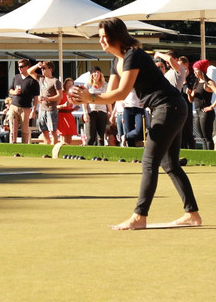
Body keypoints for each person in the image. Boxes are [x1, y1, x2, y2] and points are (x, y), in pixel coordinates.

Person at [68, 18, 201, 229]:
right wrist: (87, 95)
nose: (100, 41)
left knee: (149, 161)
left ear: (115, 36)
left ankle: (139, 216)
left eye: (104, 36)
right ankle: (192, 214)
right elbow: (110, 95)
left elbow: (121, 93)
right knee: (170, 164)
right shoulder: (116, 60)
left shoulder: (133, 55)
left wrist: (89, 98)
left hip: (169, 107)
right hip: (168, 108)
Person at [187, 59, 216, 149]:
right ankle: (205, 157)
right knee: (202, 138)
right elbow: (191, 100)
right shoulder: (196, 83)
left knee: (207, 137)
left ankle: (210, 158)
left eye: (196, 70)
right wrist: (189, 93)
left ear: (202, 70)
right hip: (198, 111)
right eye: (194, 70)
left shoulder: (209, 82)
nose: (194, 72)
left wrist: (211, 106)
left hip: (205, 112)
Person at [29, 60, 62, 146]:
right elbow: (29, 71)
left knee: (53, 131)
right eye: (42, 68)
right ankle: (47, 147)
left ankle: (54, 149)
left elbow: (60, 96)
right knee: (44, 131)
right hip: (42, 109)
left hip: (51, 109)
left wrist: (47, 98)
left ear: (50, 69)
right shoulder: (41, 78)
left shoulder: (55, 81)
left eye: (44, 68)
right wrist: (37, 65)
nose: (42, 70)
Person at [7, 58, 39, 144]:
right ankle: (12, 147)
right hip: (14, 106)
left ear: (27, 67)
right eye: (18, 67)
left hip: (25, 108)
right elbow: (10, 90)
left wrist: (34, 110)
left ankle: (24, 147)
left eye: (22, 67)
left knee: (24, 130)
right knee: (13, 129)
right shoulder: (16, 77)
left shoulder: (32, 81)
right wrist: (14, 92)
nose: (20, 69)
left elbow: (36, 97)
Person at [82, 67, 110, 146]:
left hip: (102, 111)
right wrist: (85, 113)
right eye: (95, 72)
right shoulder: (87, 85)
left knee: (100, 136)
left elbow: (108, 99)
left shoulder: (105, 85)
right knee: (91, 136)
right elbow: (84, 100)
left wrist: (110, 112)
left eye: (98, 72)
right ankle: (88, 154)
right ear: (91, 75)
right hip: (91, 111)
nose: (96, 74)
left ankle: (100, 155)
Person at [56, 77, 79, 144]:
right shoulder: (61, 94)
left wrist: (74, 109)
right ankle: (62, 150)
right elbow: (55, 107)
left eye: (72, 85)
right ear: (65, 85)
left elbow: (68, 108)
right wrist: (63, 105)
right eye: (68, 84)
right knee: (63, 135)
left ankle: (68, 151)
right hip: (62, 116)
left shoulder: (71, 95)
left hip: (69, 116)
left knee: (69, 135)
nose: (70, 86)